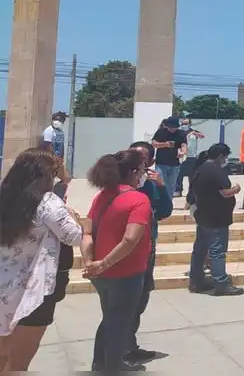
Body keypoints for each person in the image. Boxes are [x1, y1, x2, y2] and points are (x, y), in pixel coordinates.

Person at [0, 149, 82, 373]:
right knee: (19, 363)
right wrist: (74, 217)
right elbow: (73, 236)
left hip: (3, 284)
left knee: (2, 355)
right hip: (33, 288)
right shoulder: (47, 202)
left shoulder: (3, 196)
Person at [81, 150, 154, 372]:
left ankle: (100, 362)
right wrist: (104, 263)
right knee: (120, 322)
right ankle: (112, 367)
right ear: (133, 172)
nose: (143, 174)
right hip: (125, 273)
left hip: (101, 273)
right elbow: (131, 239)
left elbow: (86, 234)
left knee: (110, 317)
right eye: (142, 170)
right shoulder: (138, 199)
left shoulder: (102, 196)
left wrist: (90, 263)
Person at [125, 142, 173, 363]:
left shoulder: (151, 184)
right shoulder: (120, 183)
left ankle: (128, 344)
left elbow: (164, 211)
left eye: (141, 158)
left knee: (141, 297)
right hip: (125, 248)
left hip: (147, 247)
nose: (136, 161)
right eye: (132, 155)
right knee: (125, 301)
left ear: (150, 162)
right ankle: (118, 351)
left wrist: (162, 187)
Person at [187, 143, 244, 296]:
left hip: (204, 216)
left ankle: (196, 281)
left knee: (200, 250)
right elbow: (225, 192)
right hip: (216, 218)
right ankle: (221, 283)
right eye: (225, 156)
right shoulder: (216, 171)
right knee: (217, 252)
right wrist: (236, 190)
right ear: (221, 156)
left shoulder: (201, 168)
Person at [151, 116, 187, 199]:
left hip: (174, 164)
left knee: (171, 186)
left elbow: (184, 145)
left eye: (174, 127)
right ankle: (159, 201)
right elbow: (154, 143)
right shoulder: (161, 132)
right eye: (170, 127)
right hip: (161, 163)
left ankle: (168, 203)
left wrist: (183, 152)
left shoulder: (181, 133)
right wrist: (165, 144)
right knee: (160, 183)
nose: (172, 129)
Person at [177, 119, 206, 193]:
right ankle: (178, 190)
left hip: (192, 156)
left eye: (186, 123)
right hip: (182, 156)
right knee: (179, 174)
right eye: (183, 123)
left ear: (189, 124)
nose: (184, 125)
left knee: (192, 175)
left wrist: (194, 133)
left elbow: (202, 136)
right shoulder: (179, 132)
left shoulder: (193, 132)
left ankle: (192, 191)